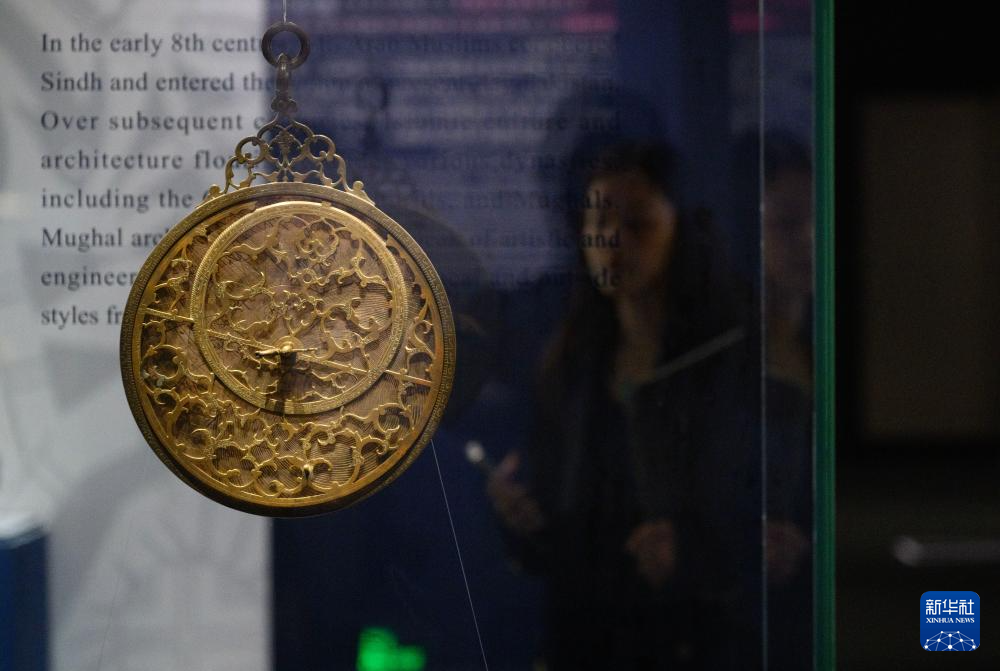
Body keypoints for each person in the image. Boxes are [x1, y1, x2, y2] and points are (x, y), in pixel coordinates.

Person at [487, 142, 761, 670]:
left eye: (638, 224)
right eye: (599, 222)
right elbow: (553, 535)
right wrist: (519, 515)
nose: (613, 241)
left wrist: (692, 552)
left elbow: (754, 508)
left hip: (691, 642)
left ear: (679, 230)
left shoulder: (724, 359)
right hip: (585, 639)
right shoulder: (570, 365)